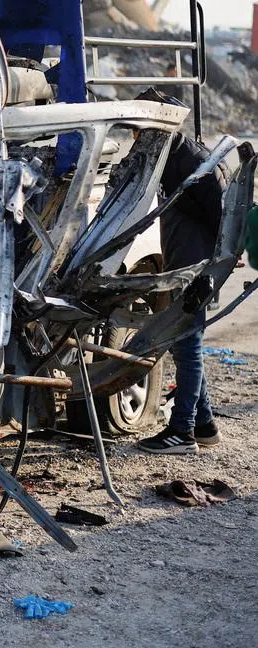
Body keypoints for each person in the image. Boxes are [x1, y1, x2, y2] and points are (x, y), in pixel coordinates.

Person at [135, 88, 227, 455]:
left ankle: (182, 431)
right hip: (180, 266)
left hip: (194, 270)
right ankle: (203, 425)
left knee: (188, 347)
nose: (137, 137)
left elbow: (223, 218)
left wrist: (210, 269)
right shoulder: (167, 155)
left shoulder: (195, 162)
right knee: (184, 345)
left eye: (143, 129)